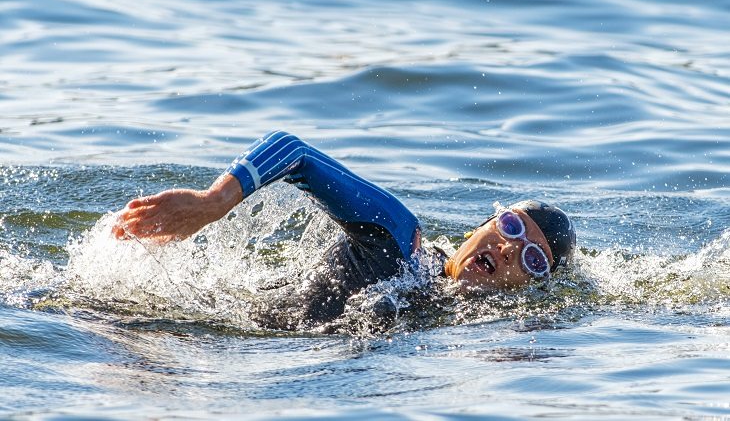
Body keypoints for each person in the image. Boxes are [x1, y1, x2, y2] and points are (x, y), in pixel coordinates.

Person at [112, 130, 576, 330]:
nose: (510, 249)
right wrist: (213, 203)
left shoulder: (471, 325)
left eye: (533, 260)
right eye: (511, 226)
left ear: (533, 288)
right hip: (162, 314)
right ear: (482, 225)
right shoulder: (400, 240)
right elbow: (292, 152)